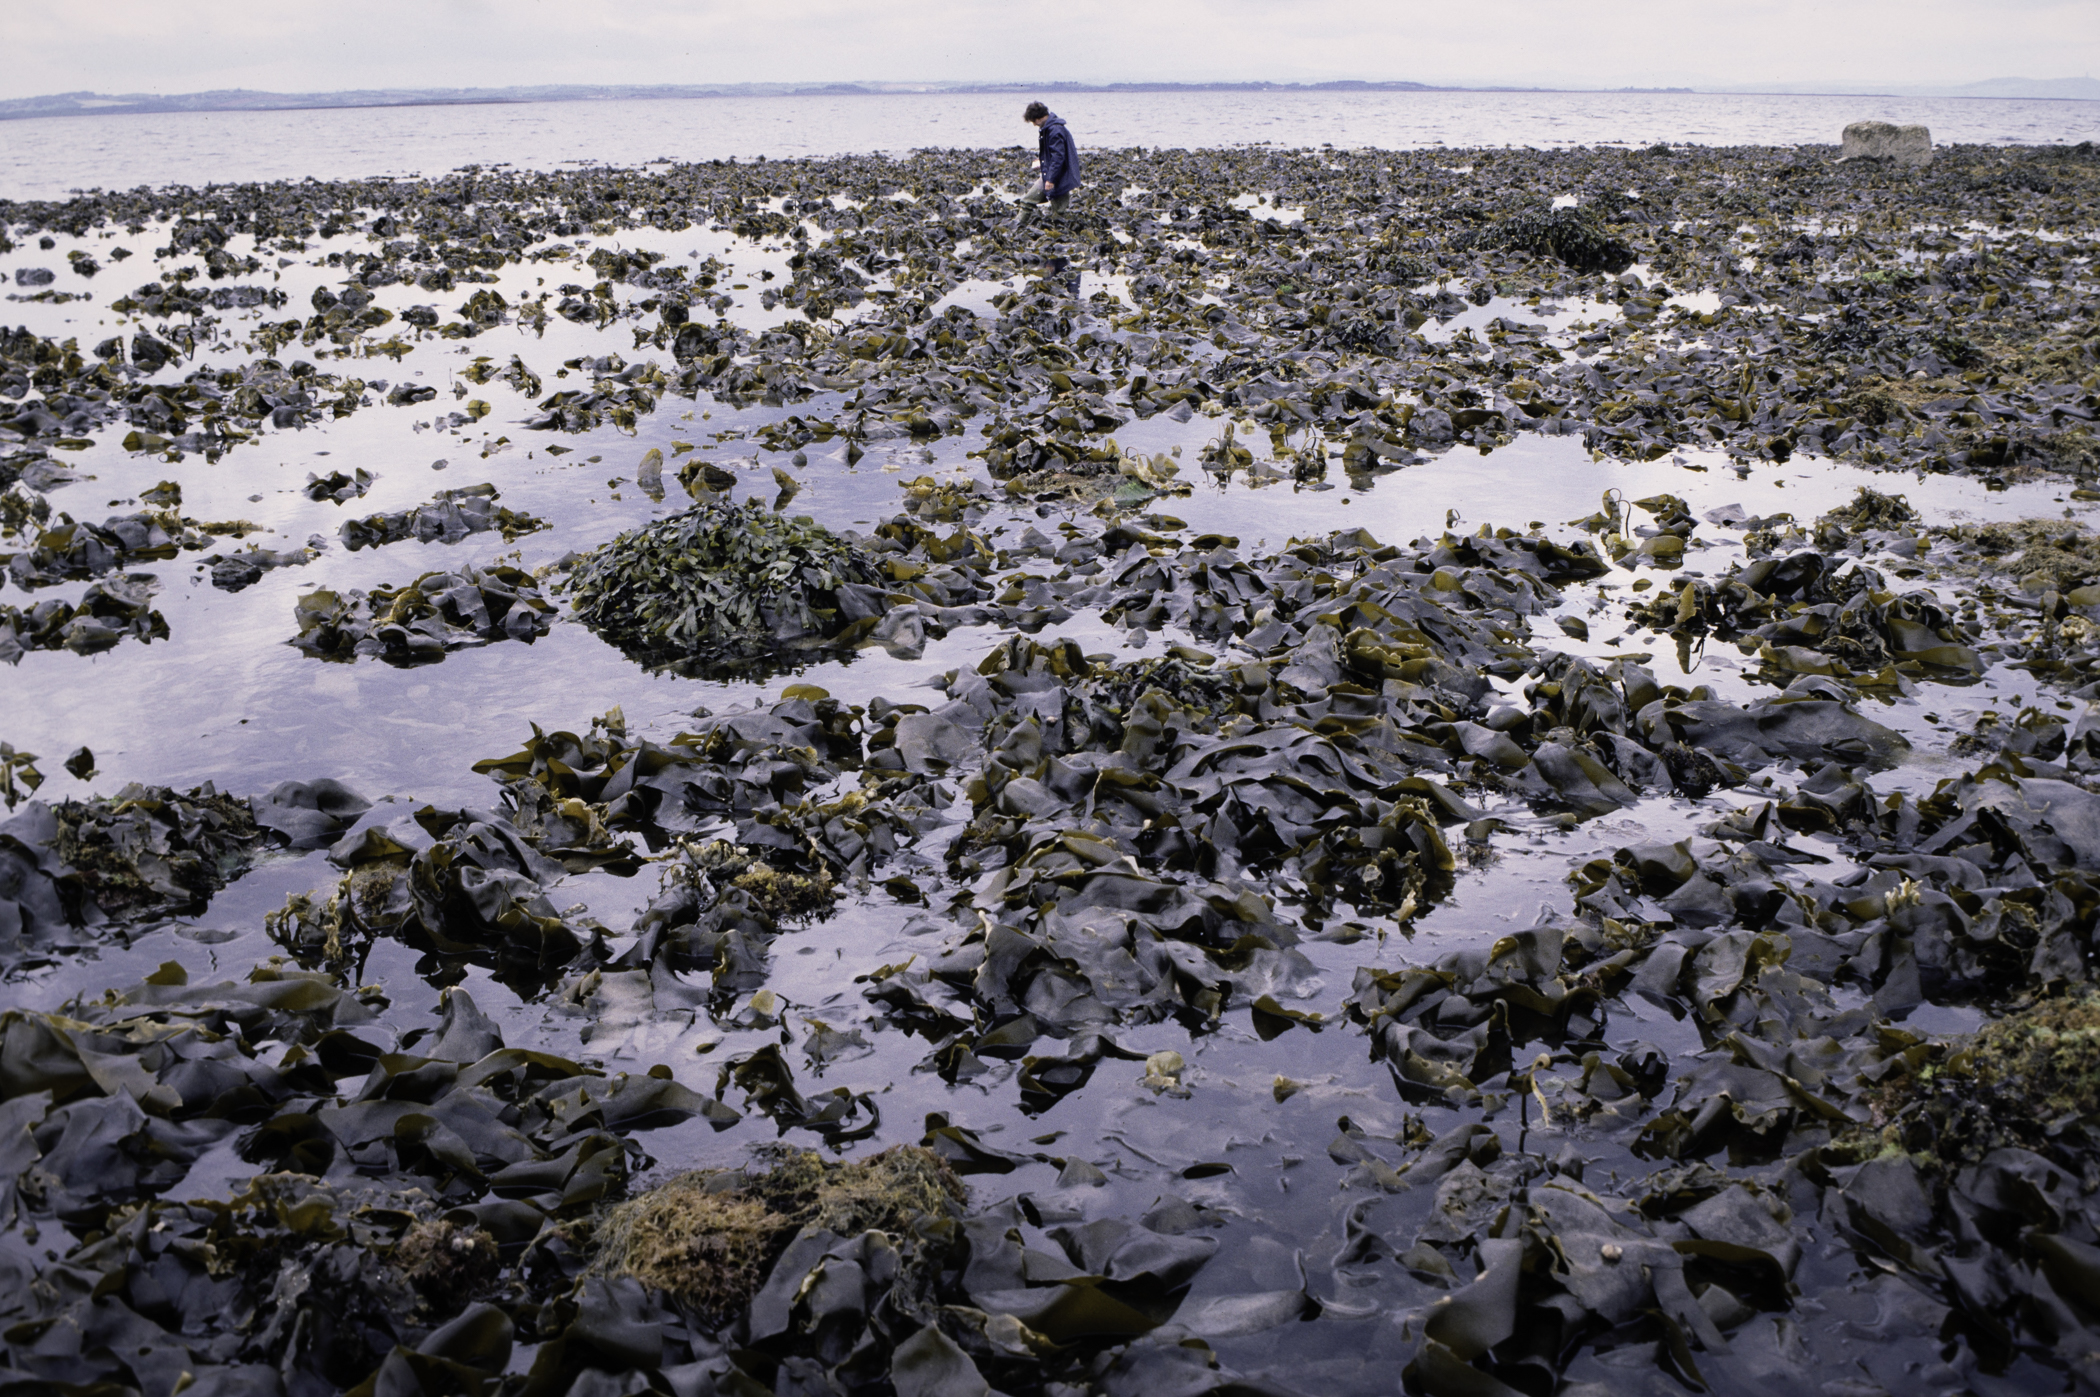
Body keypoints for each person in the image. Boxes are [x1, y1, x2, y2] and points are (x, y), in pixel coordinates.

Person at [1016, 102, 1081, 229]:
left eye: (1033, 121)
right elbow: (1056, 155)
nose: (1034, 124)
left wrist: (1051, 179)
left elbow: (1058, 157)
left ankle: (1015, 228)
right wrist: (1042, 162)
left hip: (1058, 176)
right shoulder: (1051, 127)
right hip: (1057, 174)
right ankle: (1017, 227)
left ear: (1039, 118)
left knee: (1030, 202)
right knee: (1057, 212)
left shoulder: (1054, 130)